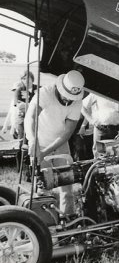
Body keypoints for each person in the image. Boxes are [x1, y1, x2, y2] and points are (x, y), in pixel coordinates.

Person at [24, 69, 85, 214]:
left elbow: (66, 133)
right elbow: (30, 117)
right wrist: (33, 140)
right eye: (66, 96)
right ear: (60, 88)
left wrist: (47, 151)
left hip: (60, 144)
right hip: (40, 141)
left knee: (67, 188)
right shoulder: (45, 93)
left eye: (71, 97)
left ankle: (67, 220)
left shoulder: (77, 102)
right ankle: (42, 224)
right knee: (43, 187)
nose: (68, 100)